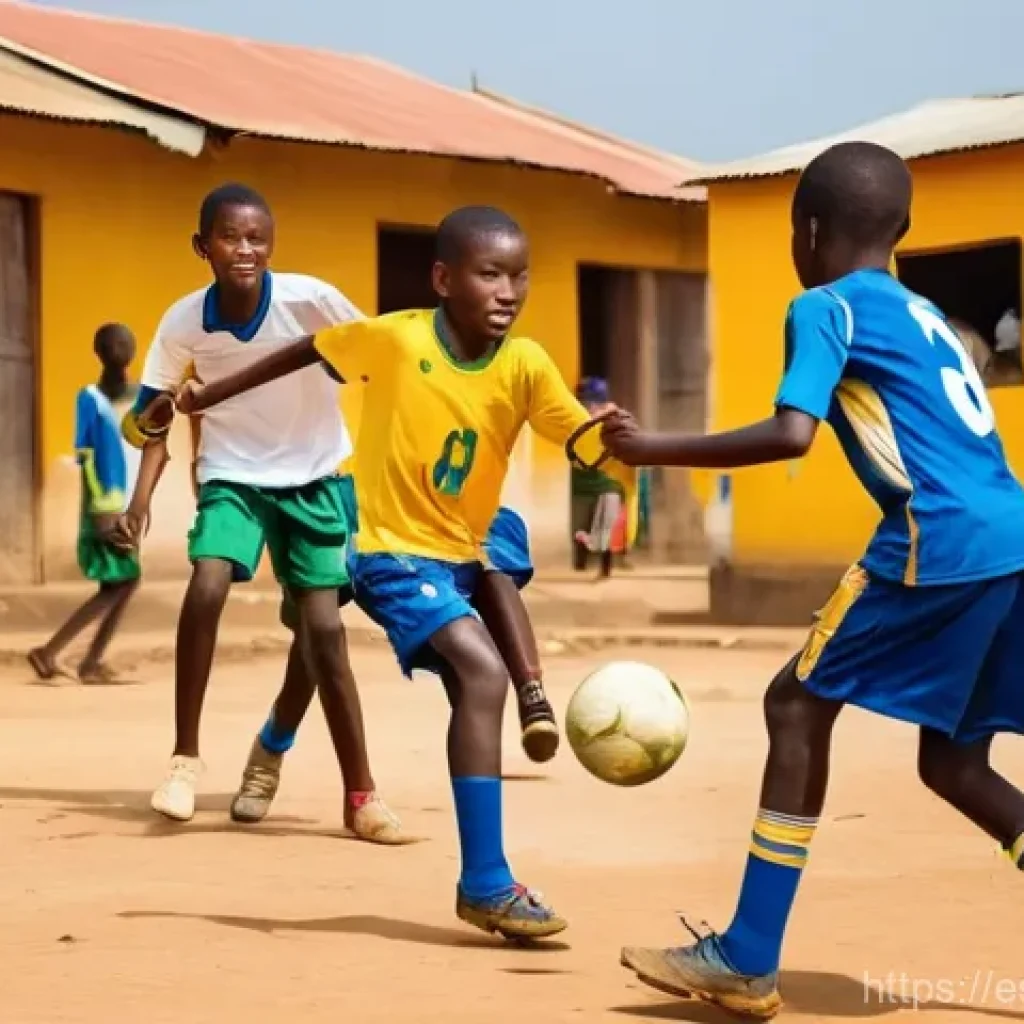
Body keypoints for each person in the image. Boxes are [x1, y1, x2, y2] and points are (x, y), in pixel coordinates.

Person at [607, 141, 1024, 1019]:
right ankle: (746, 953)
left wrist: (653, 451)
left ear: (807, 231)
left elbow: (793, 433)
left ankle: (746, 956)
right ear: (902, 232)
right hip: (1010, 536)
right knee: (952, 762)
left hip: (935, 538)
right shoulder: (927, 315)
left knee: (795, 706)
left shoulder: (824, 306)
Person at [175, 205, 637, 940]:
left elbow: (578, 438)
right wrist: (210, 394)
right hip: (381, 540)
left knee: (320, 647)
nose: (508, 291)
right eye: (490, 274)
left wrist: (624, 439)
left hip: (455, 545)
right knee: (448, 666)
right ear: (444, 279)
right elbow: (305, 351)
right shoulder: (395, 337)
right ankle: (485, 880)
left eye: (520, 276)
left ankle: (273, 741)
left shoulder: (525, 363)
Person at [119, 183, 401, 843]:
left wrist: (341, 370)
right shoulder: (184, 321)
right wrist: (141, 495)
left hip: (316, 475)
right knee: (208, 580)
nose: (245, 249)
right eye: (230, 237)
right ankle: (184, 760)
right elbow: (148, 420)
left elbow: (376, 362)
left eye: (257, 238)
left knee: (322, 632)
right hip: (234, 475)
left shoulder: (311, 299)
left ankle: (350, 789)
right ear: (202, 247)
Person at [232, 502, 558, 825]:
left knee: (485, 563)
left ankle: (525, 699)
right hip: (343, 500)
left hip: (426, 505)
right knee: (317, 631)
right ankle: (273, 745)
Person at [28, 324, 142, 684]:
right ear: (100, 352)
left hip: (123, 503)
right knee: (123, 581)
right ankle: (79, 660)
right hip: (103, 507)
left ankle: (62, 656)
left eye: (125, 342)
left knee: (122, 582)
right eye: (113, 344)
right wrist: (103, 511)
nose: (119, 348)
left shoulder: (136, 396)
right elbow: (85, 455)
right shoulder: (89, 398)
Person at [571, 377, 627, 577]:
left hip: (609, 482)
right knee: (599, 530)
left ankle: (604, 567)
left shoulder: (610, 414)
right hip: (595, 481)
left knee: (606, 530)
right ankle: (587, 562)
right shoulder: (587, 416)